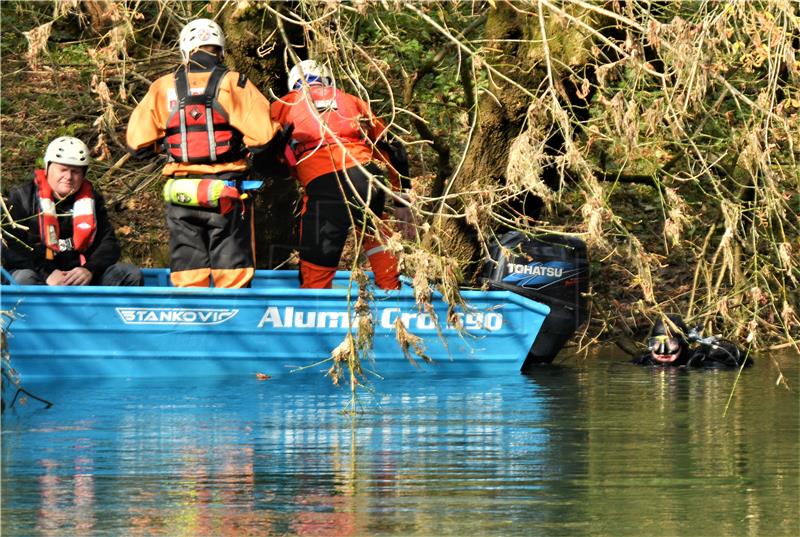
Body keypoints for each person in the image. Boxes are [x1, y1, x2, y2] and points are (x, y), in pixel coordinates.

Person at [126, 18, 283, 288]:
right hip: (226, 192)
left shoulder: (162, 87)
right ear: (220, 50)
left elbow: (136, 144)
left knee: (188, 273)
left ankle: (193, 321)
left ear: (185, 50)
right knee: (232, 275)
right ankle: (233, 322)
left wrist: (166, 145)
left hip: (181, 192)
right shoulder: (235, 83)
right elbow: (263, 139)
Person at [270, 59, 412, 289]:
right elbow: (393, 148)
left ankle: (314, 305)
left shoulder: (285, 104)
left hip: (325, 182)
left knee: (317, 262)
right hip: (368, 177)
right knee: (374, 227)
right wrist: (402, 197)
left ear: (294, 84)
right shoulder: (352, 101)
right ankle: (391, 292)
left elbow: (265, 146)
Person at [2, 136, 143, 286]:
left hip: (81, 277)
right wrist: (47, 273)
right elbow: (11, 246)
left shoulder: (93, 201)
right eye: (62, 170)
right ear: (48, 168)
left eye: (75, 172)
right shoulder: (21, 197)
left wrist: (89, 270)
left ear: (83, 174)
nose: (68, 177)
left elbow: (108, 243)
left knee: (129, 274)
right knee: (23, 279)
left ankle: (98, 309)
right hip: (40, 275)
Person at [633, 314, 752, 368]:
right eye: (657, 344)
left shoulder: (699, 359)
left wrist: (721, 353)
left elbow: (747, 361)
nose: (663, 352)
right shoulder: (645, 361)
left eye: (671, 343)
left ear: (683, 343)